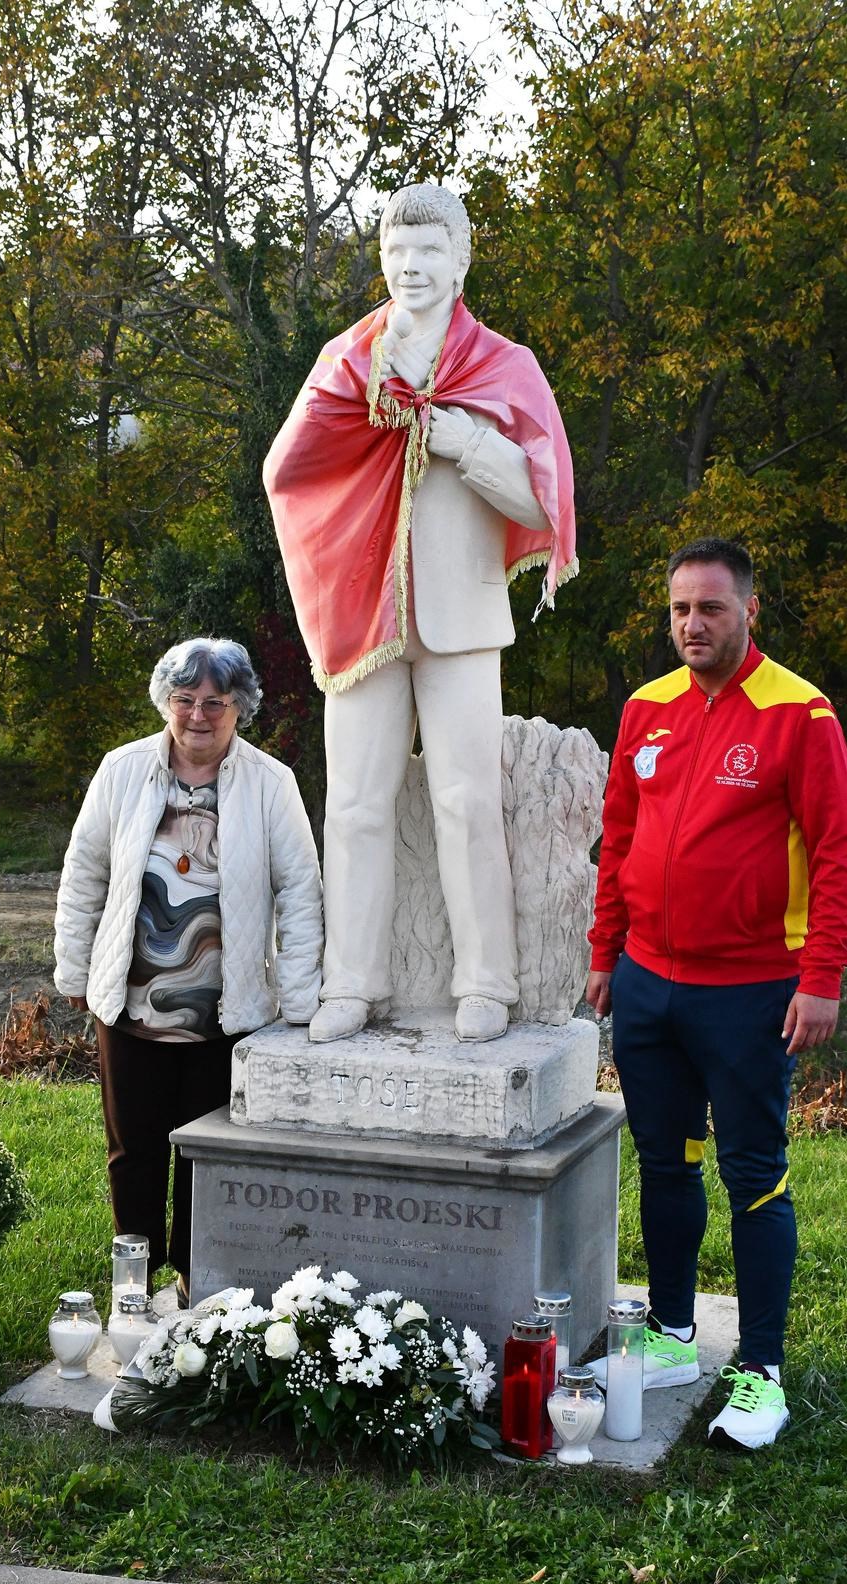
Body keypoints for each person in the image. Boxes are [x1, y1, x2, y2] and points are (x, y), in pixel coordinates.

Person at [264, 183, 576, 1047]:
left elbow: (543, 499)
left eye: (430, 251)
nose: (411, 267)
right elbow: (287, 471)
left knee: (467, 801)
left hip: (462, 616)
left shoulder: (503, 365)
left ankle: (486, 981)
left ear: (461, 261)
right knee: (354, 806)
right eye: (397, 252)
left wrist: (466, 441)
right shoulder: (348, 361)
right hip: (363, 614)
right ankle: (351, 983)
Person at [584, 539, 847, 1449]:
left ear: (749, 609)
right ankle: (671, 1336)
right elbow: (618, 838)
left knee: (752, 1175)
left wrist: (820, 977)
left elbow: (836, 851)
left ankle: (760, 1373)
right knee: (665, 1163)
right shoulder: (645, 708)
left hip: (749, 991)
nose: (692, 625)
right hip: (647, 983)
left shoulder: (799, 714)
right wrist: (604, 952)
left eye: (709, 608)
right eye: (679, 610)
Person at [53, 638, 322, 1306]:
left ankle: (200, 1289)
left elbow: (300, 891)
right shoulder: (122, 770)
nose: (198, 715)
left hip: (225, 1012)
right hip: (131, 1005)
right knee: (132, 1153)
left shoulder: (270, 783)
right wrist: (75, 968)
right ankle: (134, 1287)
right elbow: (84, 873)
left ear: (240, 708)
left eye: (215, 702)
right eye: (185, 699)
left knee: (209, 1157)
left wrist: (298, 999)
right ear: (165, 701)